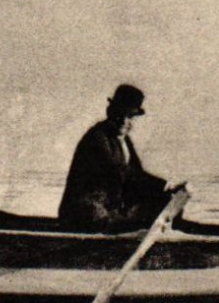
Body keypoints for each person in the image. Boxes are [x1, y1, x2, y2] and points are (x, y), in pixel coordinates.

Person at [58, 84, 174, 232]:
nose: (124, 121)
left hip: (108, 211)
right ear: (110, 112)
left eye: (129, 116)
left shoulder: (123, 140)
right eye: (120, 114)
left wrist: (163, 193)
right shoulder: (97, 137)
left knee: (160, 203)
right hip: (84, 214)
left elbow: (136, 174)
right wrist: (162, 185)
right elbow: (119, 172)